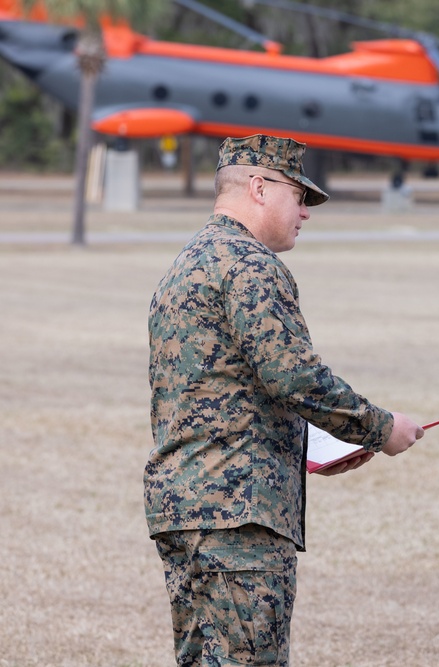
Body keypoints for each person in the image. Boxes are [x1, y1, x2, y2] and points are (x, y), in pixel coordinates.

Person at [144, 134, 424, 666]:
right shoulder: (249, 266)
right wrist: (380, 428)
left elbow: (219, 393)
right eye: (299, 196)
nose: (305, 213)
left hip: (185, 508)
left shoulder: (186, 265)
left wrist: (314, 448)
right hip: (239, 518)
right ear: (258, 187)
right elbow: (294, 378)